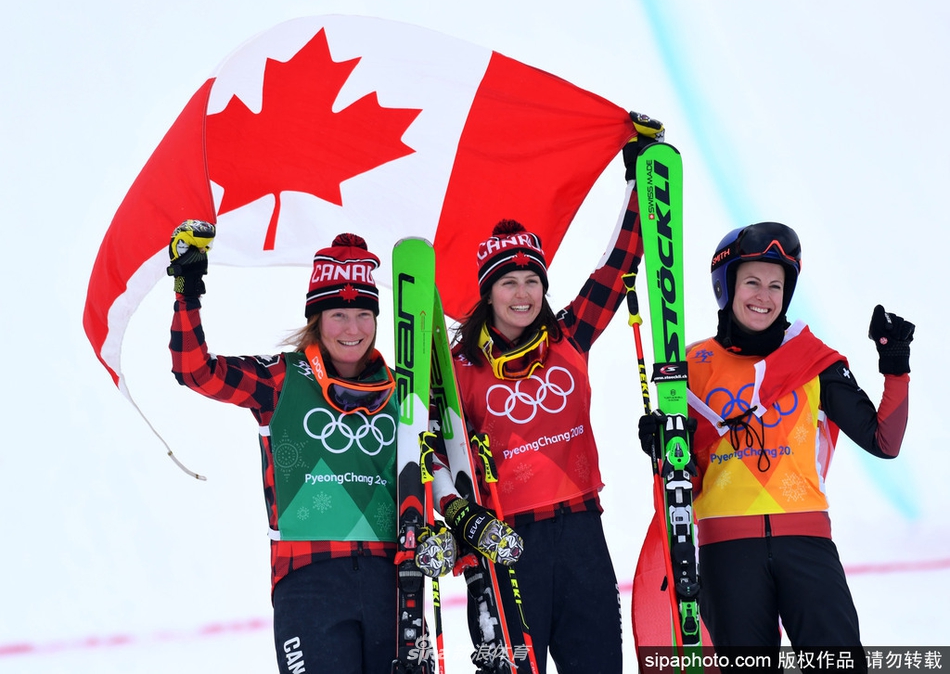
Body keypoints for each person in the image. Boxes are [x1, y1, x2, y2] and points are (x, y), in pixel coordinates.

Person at [431, 114, 665, 674]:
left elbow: (619, 267)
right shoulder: (460, 368)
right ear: (487, 294)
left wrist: (640, 177)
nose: (523, 293)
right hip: (508, 544)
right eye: (508, 282)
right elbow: (431, 452)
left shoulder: (569, 337)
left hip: (583, 533)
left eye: (532, 280)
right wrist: (459, 517)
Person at [167, 225, 455, 674]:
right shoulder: (279, 380)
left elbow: (432, 468)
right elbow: (194, 370)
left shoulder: (405, 391)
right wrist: (187, 289)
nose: (352, 328)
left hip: (393, 583)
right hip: (309, 584)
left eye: (363, 315)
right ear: (316, 319)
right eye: (338, 314)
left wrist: (451, 526)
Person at [642, 222, 913, 670]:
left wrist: (895, 364)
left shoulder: (814, 360)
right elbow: (682, 476)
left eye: (776, 285)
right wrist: (658, 445)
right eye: (752, 282)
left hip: (805, 543)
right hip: (726, 551)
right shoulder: (688, 367)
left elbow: (884, 442)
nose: (764, 297)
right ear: (725, 286)